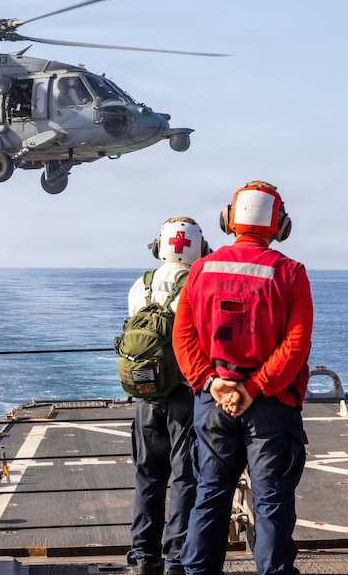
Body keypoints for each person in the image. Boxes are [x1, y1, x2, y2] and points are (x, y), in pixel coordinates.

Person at [173, 181, 312, 575]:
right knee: (271, 502)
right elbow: (296, 343)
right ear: (279, 225)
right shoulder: (290, 273)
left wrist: (212, 382)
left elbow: (182, 336)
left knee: (210, 495)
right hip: (270, 404)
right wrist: (254, 387)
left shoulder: (200, 269)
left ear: (229, 221)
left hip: (213, 400)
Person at [126, 217, 206, 575]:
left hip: (146, 397)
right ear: (199, 247)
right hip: (185, 396)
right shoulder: (198, 283)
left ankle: (144, 557)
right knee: (186, 477)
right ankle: (176, 558)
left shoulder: (139, 286)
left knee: (148, 476)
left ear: (159, 246)